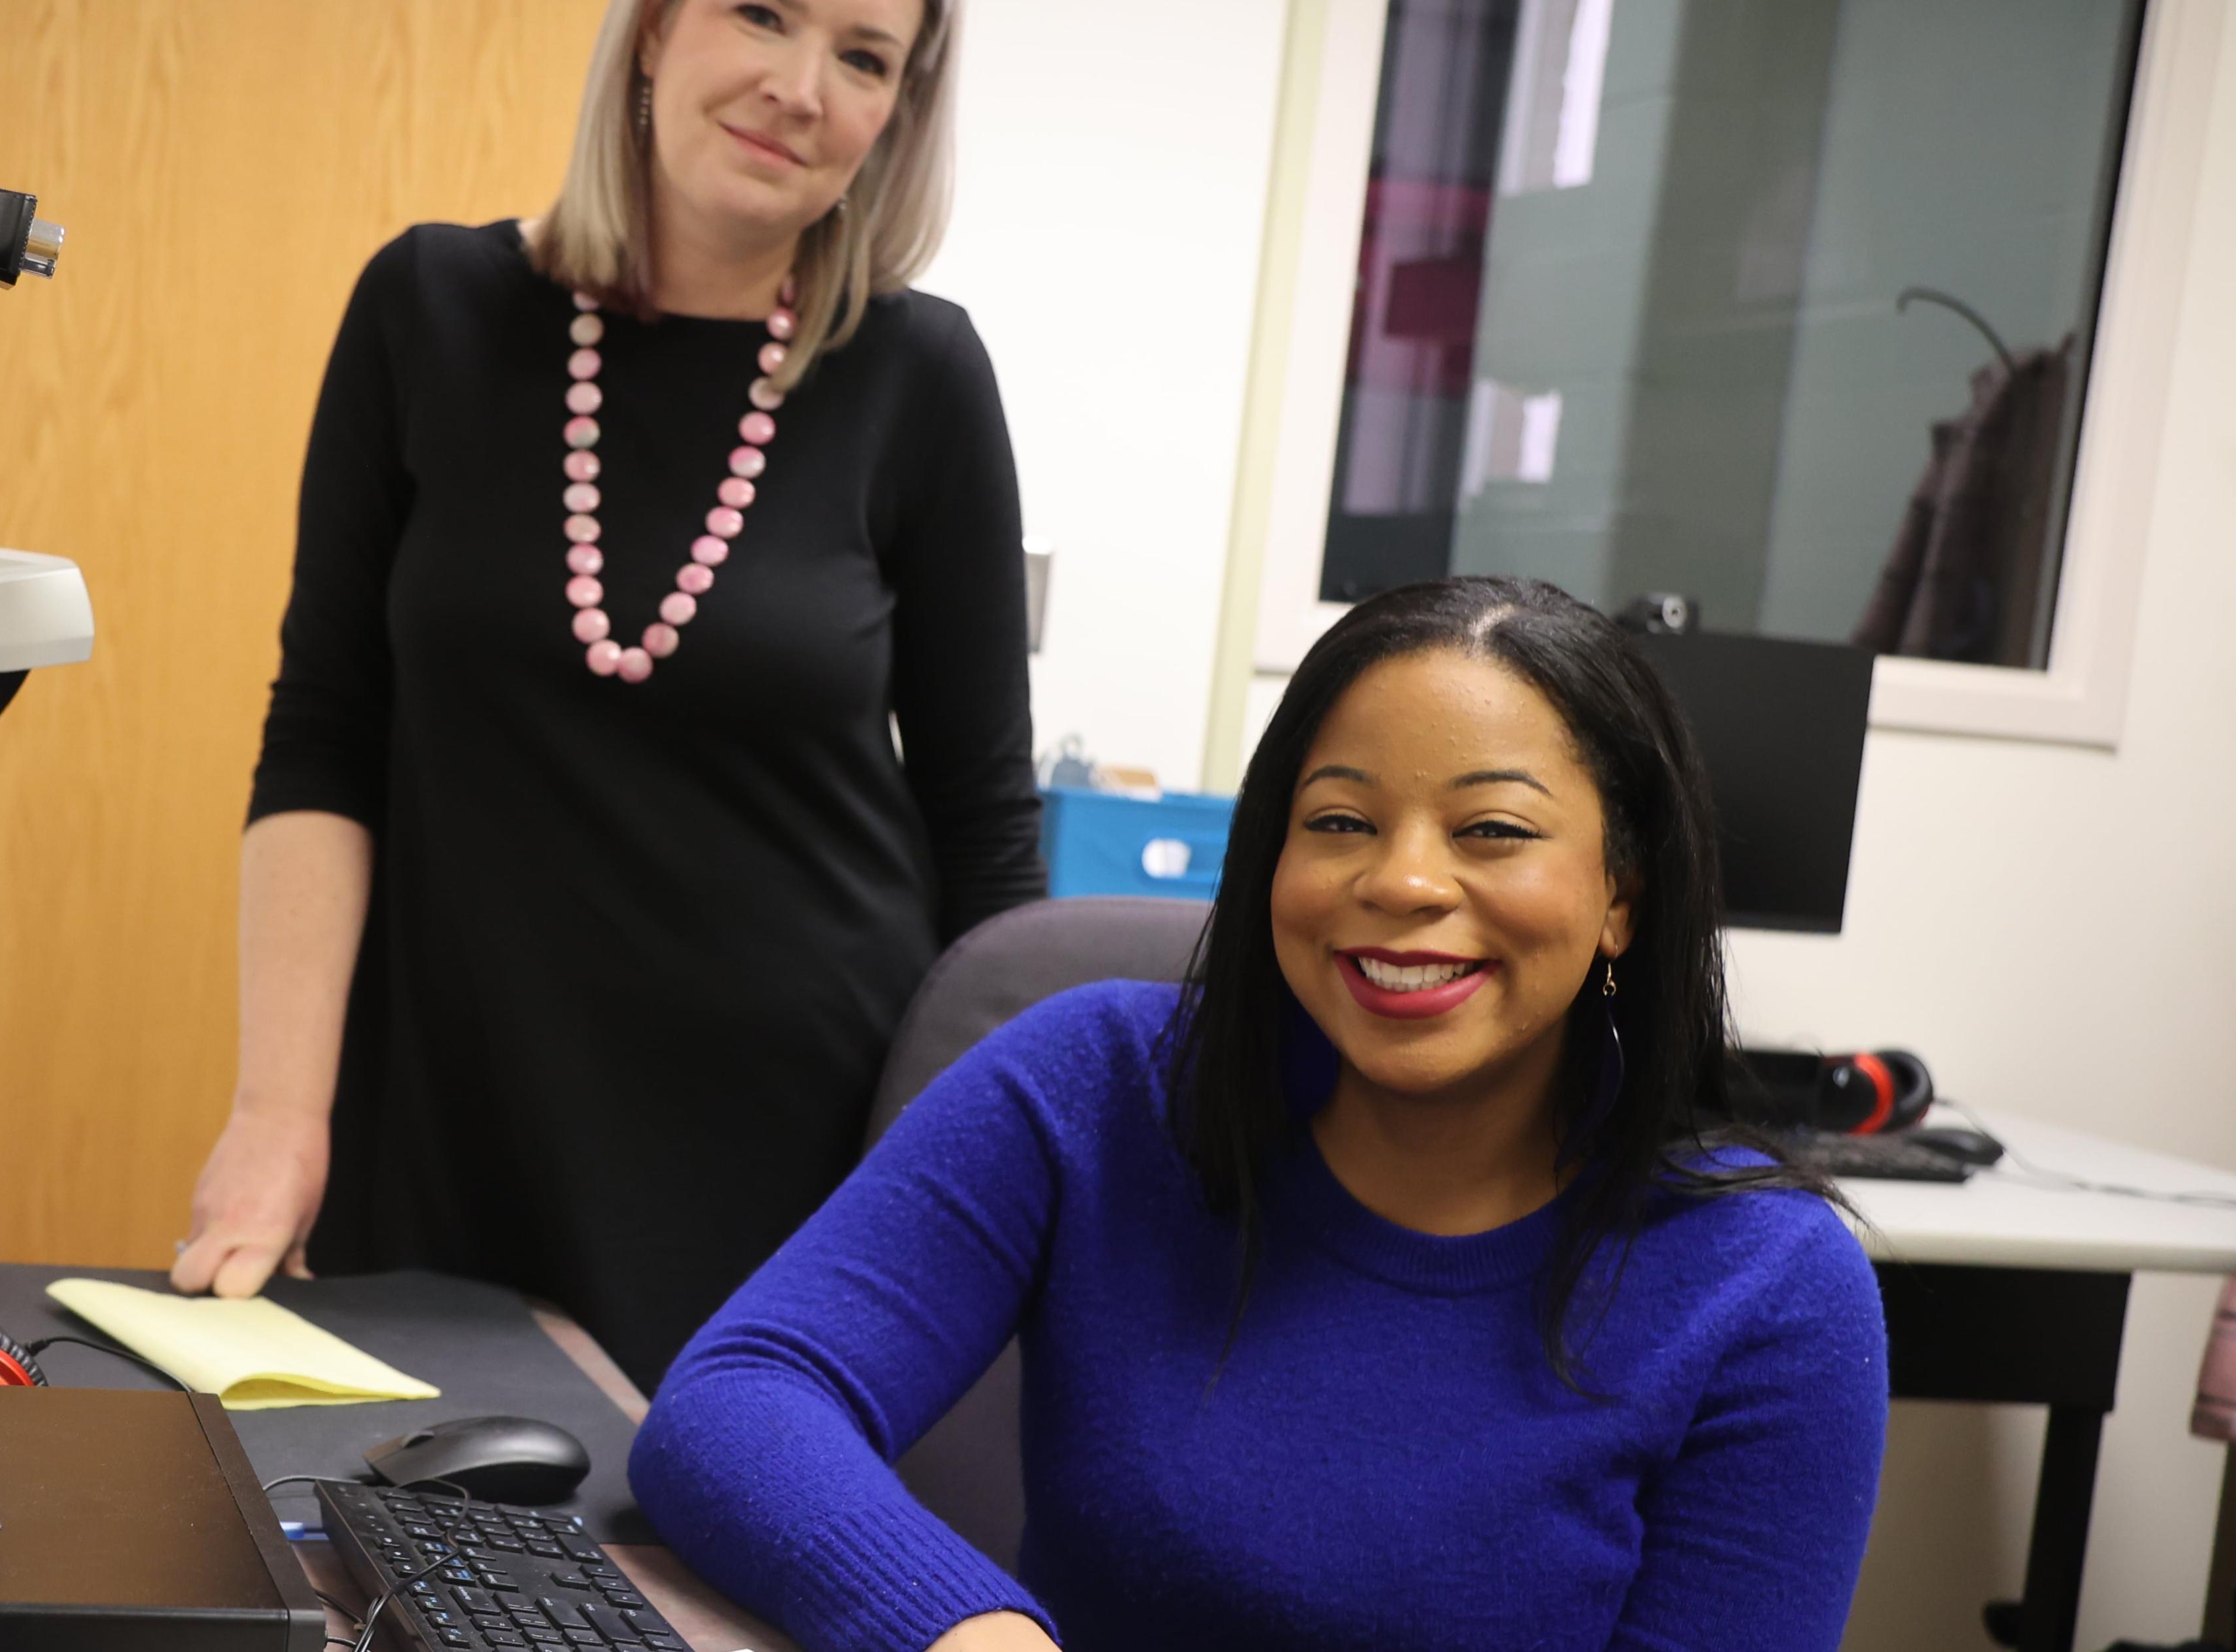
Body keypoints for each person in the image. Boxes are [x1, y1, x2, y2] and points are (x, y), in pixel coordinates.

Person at [170, 0, 1042, 1390]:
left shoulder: (919, 379)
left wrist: (987, 1204)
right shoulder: (429, 310)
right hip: (453, 1105)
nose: (800, 86)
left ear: (895, 115)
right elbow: (325, 737)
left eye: (863, 56)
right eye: (762, 13)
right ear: (657, 20)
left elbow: (987, 836)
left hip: (804, 1150)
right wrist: (274, 1112)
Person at [631, 577, 1889, 1649]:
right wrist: (967, 1629)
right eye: (1337, 821)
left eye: (1491, 830)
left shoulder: (1768, 1289)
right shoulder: (1101, 1084)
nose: (1400, 879)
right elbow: (741, 1397)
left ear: (1622, 895)